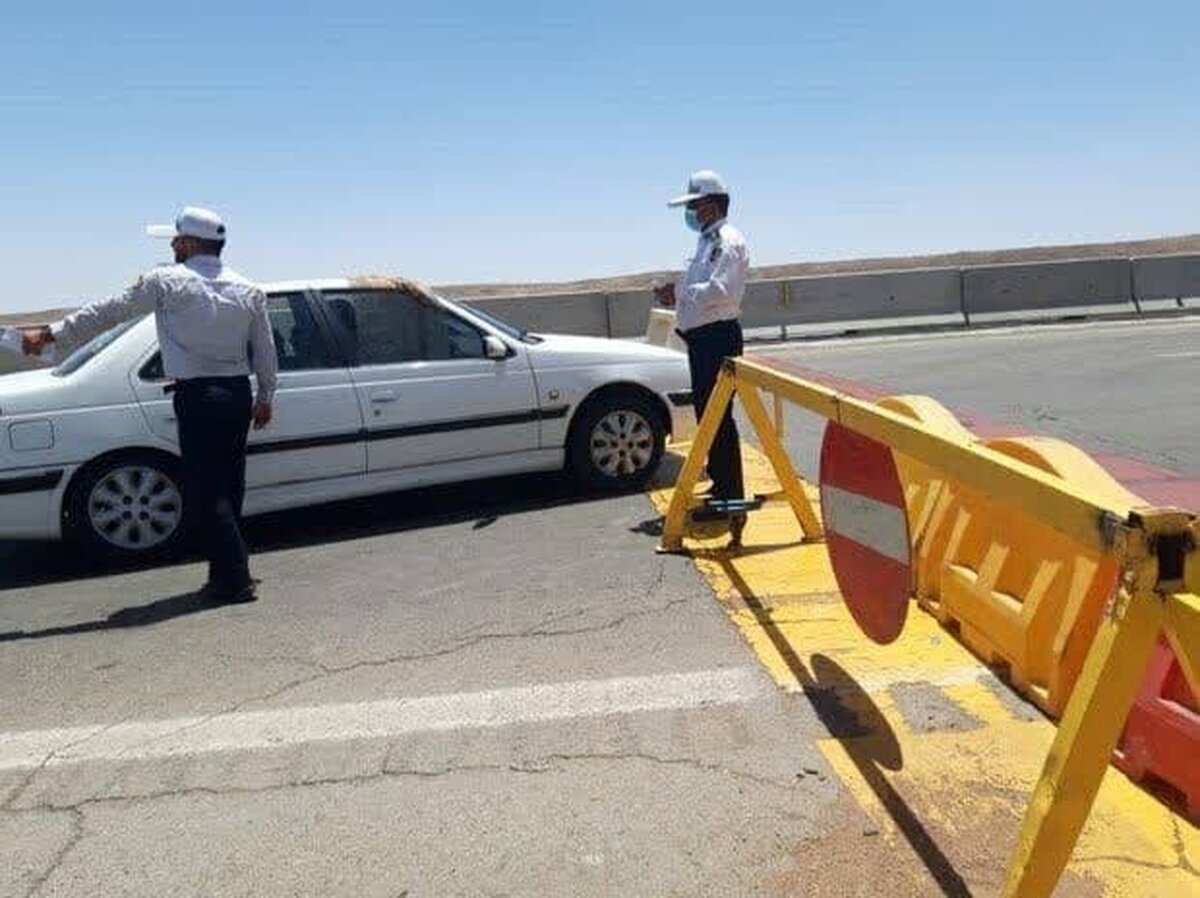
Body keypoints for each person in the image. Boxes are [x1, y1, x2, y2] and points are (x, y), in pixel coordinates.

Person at [22, 206, 278, 603]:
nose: (174, 245)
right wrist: (265, 396)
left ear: (190, 242)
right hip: (236, 393)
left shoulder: (166, 280)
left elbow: (109, 311)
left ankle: (237, 577)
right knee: (230, 486)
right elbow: (265, 349)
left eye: (176, 238)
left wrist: (52, 333)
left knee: (207, 490)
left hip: (197, 396)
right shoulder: (248, 288)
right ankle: (224, 573)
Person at [653, 170, 748, 502]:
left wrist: (678, 290)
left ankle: (730, 492)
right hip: (702, 340)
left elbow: (720, 289)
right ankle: (721, 484)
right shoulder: (707, 241)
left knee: (718, 416)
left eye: (694, 205)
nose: (690, 212)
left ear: (710, 205)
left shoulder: (727, 241)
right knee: (708, 416)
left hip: (717, 339)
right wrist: (677, 294)